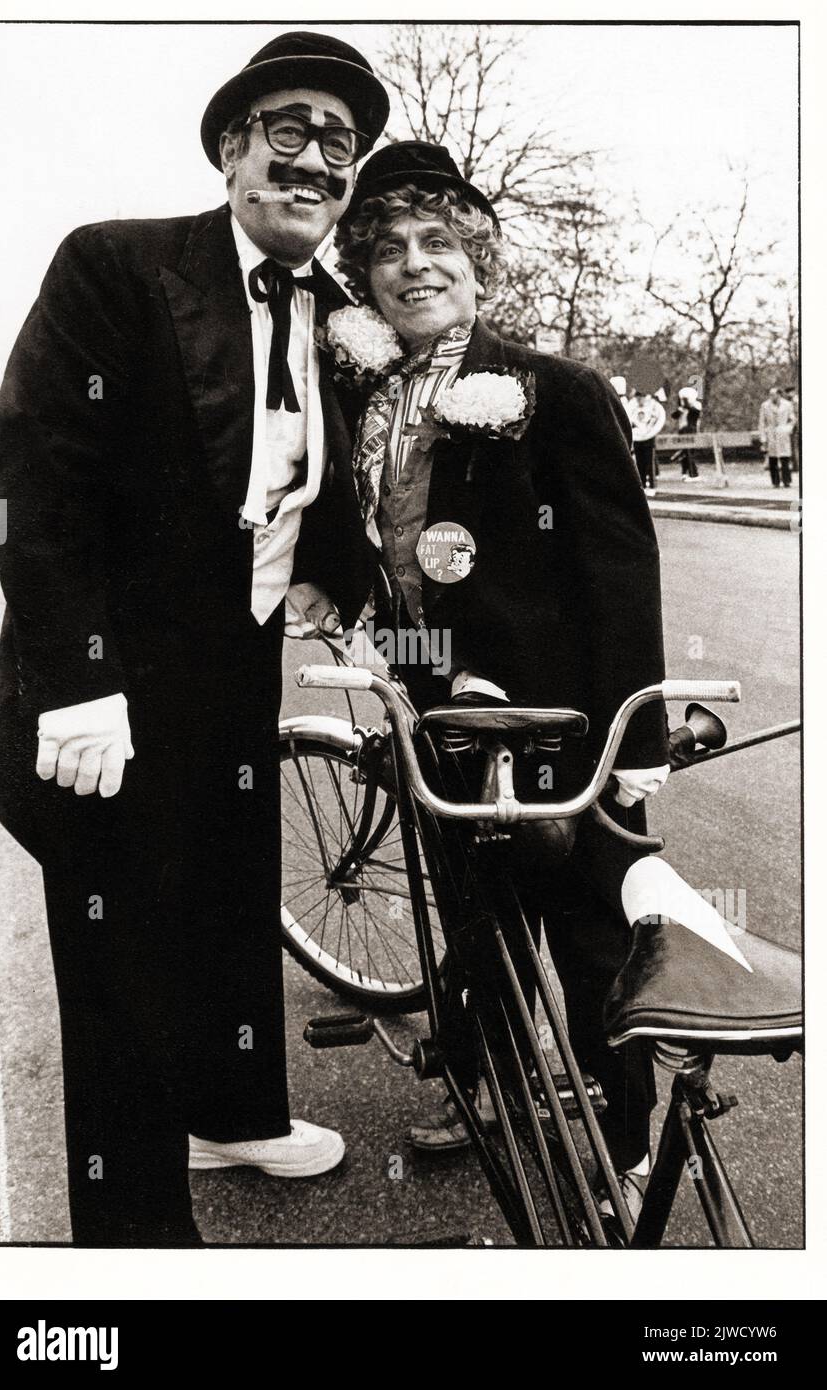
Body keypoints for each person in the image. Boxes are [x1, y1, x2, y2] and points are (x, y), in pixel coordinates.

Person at [0, 31, 389, 1247]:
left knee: (225, 901)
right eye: (291, 129)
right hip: (107, 678)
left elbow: (309, 477)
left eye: (340, 142)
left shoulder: (337, 317)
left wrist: (347, 588)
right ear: (231, 149)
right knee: (121, 958)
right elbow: (32, 477)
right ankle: (132, 1248)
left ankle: (234, 1110)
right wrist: (75, 681)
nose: (315, 159)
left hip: (232, 664)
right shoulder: (116, 265)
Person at [326, 141, 680, 1207]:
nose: (412, 265)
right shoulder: (363, 398)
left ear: (477, 260)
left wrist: (638, 742)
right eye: (385, 249)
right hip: (429, 700)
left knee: (586, 930)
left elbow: (618, 571)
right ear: (364, 275)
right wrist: (368, 640)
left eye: (437, 242)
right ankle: (481, 1080)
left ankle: (622, 1141)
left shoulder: (553, 391)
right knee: (471, 912)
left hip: (552, 717)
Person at [627, 390, 666, 491]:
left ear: (645, 397)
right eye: (637, 398)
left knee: (649, 463)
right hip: (637, 438)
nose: (639, 400)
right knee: (639, 463)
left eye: (641, 398)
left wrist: (649, 430)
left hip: (649, 438)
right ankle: (643, 485)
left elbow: (656, 420)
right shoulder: (633, 407)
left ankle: (652, 486)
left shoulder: (652, 408)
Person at [758, 386, 795, 488]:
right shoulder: (765, 405)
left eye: (773, 394)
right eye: (770, 394)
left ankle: (787, 480)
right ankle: (775, 481)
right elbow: (761, 422)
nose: (771, 396)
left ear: (779, 395)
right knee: (772, 458)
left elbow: (792, 419)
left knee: (784, 457)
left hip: (783, 432)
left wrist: (788, 429)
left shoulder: (787, 405)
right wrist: (763, 437)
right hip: (771, 433)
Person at [670, 386, 701, 479]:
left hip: (691, 431)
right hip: (682, 430)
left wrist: (687, 404)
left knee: (689, 452)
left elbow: (695, 413)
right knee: (684, 453)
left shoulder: (697, 405)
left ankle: (694, 474)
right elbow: (674, 416)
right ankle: (684, 473)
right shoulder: (682, 408)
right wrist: (681, 408)